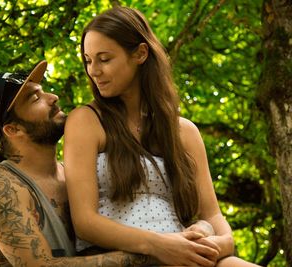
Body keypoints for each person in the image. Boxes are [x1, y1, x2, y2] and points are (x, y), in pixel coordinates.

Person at [63, 6, 260, 267]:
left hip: (184, 254)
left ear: (140, 54)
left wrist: (208, 242)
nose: (93, 71)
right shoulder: (86, 121)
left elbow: (215, 219)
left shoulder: (184, 132)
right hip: (123, 257)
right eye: (88, 60)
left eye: (104, 59)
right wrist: (159, 245)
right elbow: (85, 223)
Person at [0, 60, 154, 266]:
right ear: (13, 130)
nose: (53, 98)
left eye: (43, 91)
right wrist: (152, 252)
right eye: (35, 98)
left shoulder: (76, 174)